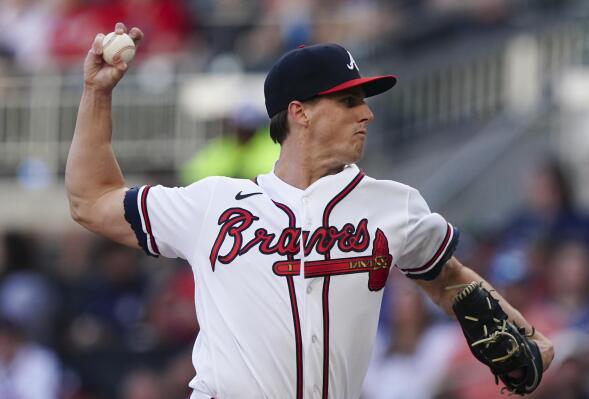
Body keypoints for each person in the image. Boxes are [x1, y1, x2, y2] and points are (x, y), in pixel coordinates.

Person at [66, 22, 554, 399]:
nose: (367, 113)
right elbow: (92, 200)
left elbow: (450, 281)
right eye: (349, 101)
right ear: (300, 113)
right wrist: (97, 92)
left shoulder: (392, 204)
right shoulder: (212, 205)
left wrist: (529, 334)